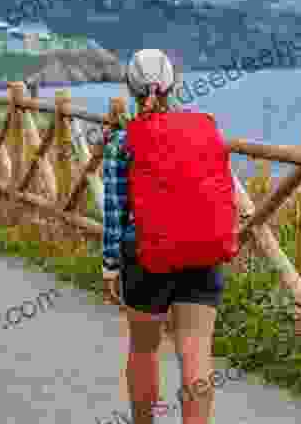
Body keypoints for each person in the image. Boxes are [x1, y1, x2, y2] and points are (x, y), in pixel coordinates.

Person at [102, 49, 232, 424]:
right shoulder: (205, 127)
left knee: (144, 350)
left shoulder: (122, 140)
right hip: (202, 253)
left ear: (131, 89)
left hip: (144, 256)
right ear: (175, 83)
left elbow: (115, 211)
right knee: (196, 352)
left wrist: (111, 266)